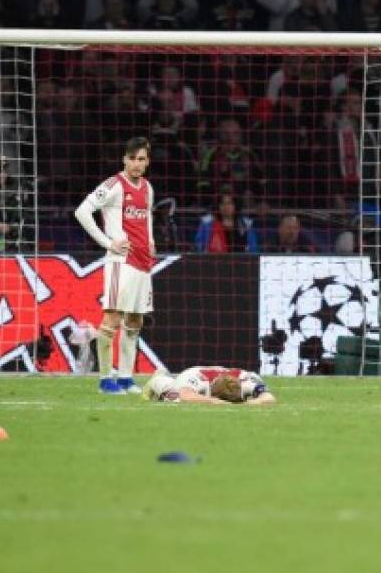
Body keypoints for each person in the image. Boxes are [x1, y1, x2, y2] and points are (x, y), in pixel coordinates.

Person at [74, 137, 156, 395]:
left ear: (147, 161)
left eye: (141, 159)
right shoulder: (114, 185)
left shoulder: (147, 188)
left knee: (135, 322)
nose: (136, 164)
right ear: (124, 159)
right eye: (132, 158)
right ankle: (105, 380)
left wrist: (151, 241)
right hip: (121, 262)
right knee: (112, 318)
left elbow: (147, 218)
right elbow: (82, 211)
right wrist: (107, 243)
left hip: (143, 263)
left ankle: (126, 378)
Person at [142, 366, 275, 405]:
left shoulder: (247, 379)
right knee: (173, 398)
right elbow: (185, 395)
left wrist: (253, 403)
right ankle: (159, 378)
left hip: (216, 376)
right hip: (191, 376)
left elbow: (269, 397)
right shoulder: (195, 379)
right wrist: (212, 401)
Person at [194, 192, 260, 253]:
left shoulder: (246, 224)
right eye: (222, 203)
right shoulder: (207, 224)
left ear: (235, 206)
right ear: (218, 206)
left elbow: (253, 250)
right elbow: (199, 247)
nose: (226, 206)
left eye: (230, 203)